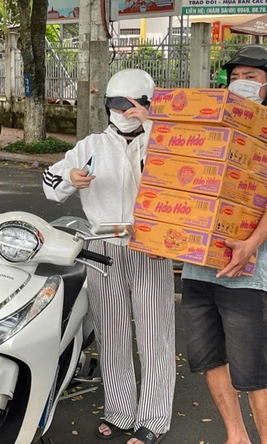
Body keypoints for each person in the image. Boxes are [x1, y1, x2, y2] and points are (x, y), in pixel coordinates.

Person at [181, 46, 267, 444]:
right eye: (235, 75)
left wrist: (251, 245)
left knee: (252, 372)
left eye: (251, 77)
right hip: (197, 268)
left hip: (243, 276)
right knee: (209, 360)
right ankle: (236, 435)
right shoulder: (211, 130)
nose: (241, 82)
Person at [43, 69, 175, 444]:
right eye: (115, 105)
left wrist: (154, 127)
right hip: (100, 247)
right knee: (112, 331)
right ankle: (119, 410)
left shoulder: (164, 141)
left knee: (155, 333)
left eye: (132, 105)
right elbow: (50, 184)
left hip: (150, 247)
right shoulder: (92, 145)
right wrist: (71, 176)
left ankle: (154, 417)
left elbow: (189, 170)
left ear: (148, 105)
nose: (123, 112)